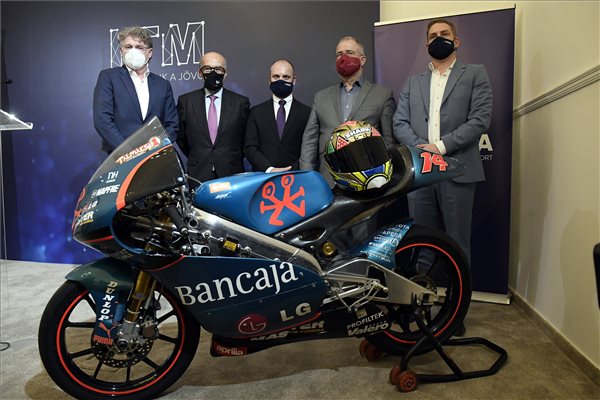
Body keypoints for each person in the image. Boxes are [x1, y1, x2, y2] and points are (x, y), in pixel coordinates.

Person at [393, 19, 493, 336]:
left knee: (457, 243)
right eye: (433, 36)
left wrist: (439, 147)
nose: (439, 39)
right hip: (421, 172)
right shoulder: (413, 82)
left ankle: (455, 312)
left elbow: (480, 119)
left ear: (456, 41)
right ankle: (420, 309)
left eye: (445, 34)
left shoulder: (474, 74)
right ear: (426, 44)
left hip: (458, 168)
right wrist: (422, 150)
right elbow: (399, 122)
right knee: (422, 242)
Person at [299, 36, 396, 187]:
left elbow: (389, 144)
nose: (343, 58)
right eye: (339, 54)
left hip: (368, 183)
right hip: (328, 182)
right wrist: (306, 179)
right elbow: (309, 141)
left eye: (349, 52)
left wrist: (388, 183)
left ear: (362, 59)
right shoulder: (321, 97)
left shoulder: (382, 95)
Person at [93, 26, 178, 155]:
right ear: (121, 51)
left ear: (149, 52)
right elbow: (102, 120)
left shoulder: (163, 85)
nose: (133, 51)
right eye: (128, 47)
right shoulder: (109, 77)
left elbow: (172, 125)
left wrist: (155, 149)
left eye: (139, 47)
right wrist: (130, 152)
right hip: (118, 157)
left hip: (155, 158)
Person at [177, 52, 250, 182]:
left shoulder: (240, 103)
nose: (213, 73)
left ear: (225, 74)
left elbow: (246, 139)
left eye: (218, 69)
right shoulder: (186, 101)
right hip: (198, 173)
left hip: (231, 173)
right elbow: (181, 138)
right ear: (200, 73)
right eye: (207, 69)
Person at [244, 59, 310, 172]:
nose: (280, 80)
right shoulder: (256, 112)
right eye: (276, 76)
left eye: (286, 77)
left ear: (294, 80)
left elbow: (310, 148)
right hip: (263, 176)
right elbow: (250, 147)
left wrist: (292, 170)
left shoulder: (307, 113)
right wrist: (269, 169)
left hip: (297, 176)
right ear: (269, 80)